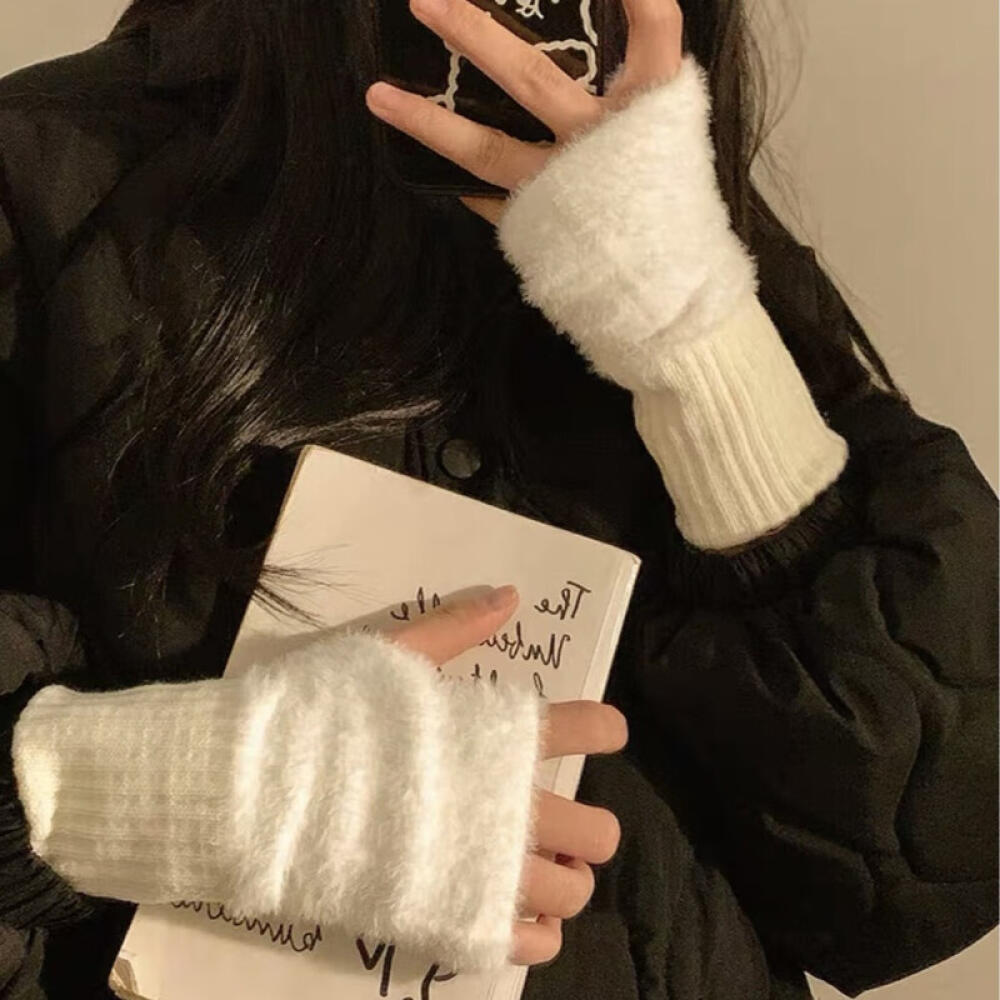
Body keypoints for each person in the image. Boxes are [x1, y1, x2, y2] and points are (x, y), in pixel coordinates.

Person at [0, 0, 996, 997]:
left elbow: (933, 864)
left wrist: (700, 344)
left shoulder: (685, 191)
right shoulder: (54, 169)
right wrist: (142, 791)